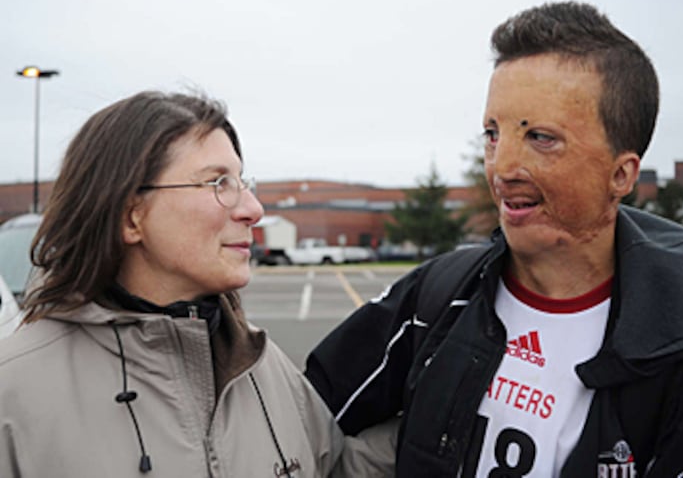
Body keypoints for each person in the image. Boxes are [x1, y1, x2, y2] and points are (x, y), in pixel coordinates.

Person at [305, 1, 683, 477]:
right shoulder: (435, 301)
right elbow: (297, 424)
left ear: (621, 174)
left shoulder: (678, 361)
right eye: (492, 133)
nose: (501, 168)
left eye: (541, 137)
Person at [0, 91, 393, 477]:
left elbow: (333, 469)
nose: (253, 209)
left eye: (242, 181)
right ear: (130, 217)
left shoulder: (259, 362)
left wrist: (441, 412)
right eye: (218, 183)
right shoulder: (14, 392)